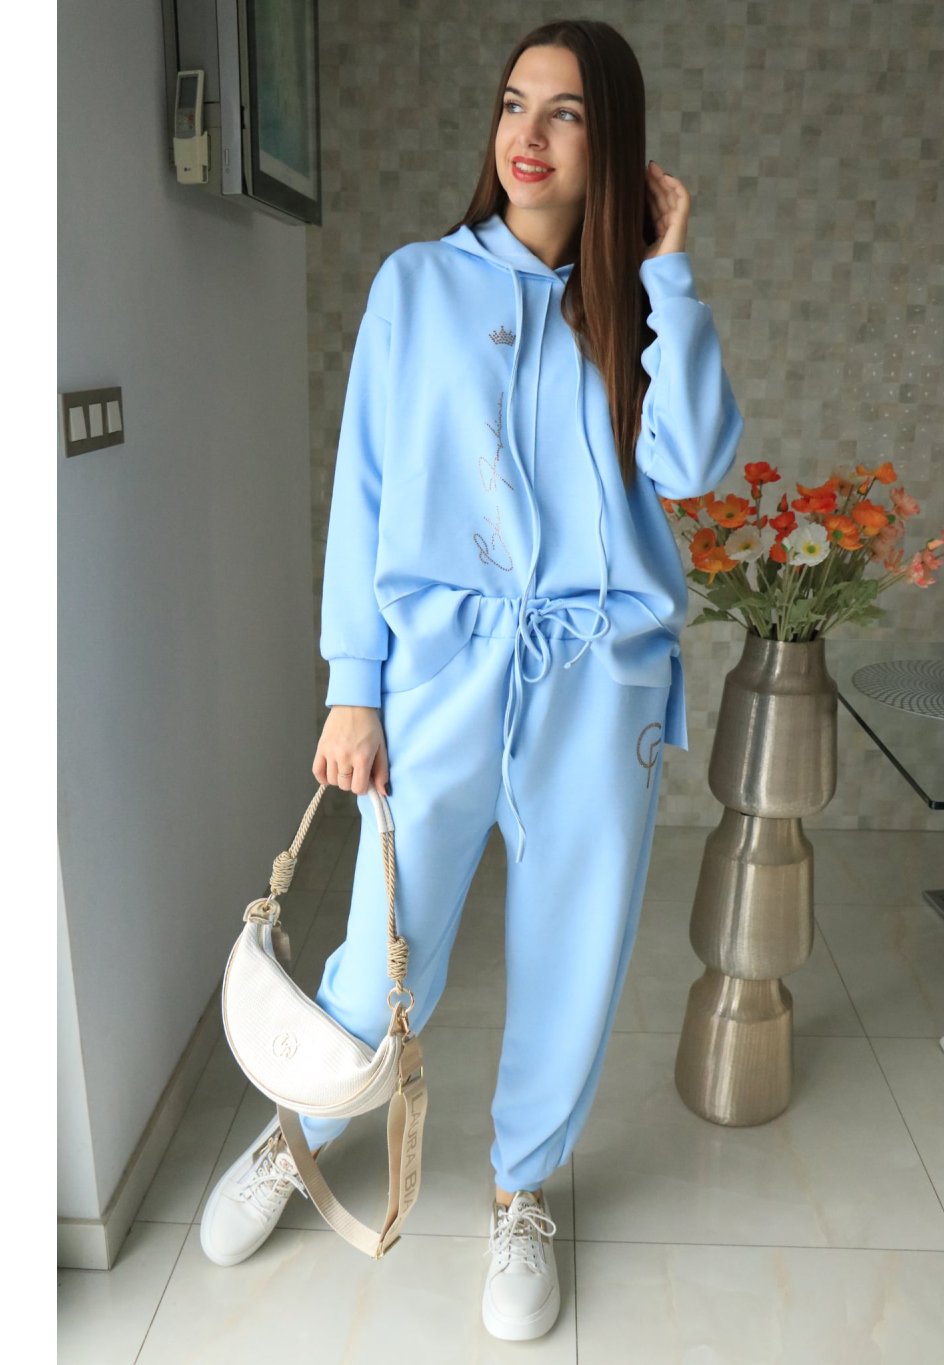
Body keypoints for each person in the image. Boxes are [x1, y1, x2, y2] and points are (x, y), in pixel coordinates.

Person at [201, 16, 743, 1342]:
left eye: (566, 112)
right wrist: (354, 684)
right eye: (514, 103)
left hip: (597, 682)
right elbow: (366, 489)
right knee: (385, 940)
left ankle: (520, 1189)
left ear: (611, 141)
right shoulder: (417, 285)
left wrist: (667, 274)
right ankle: (304, 1124)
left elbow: (693, 463)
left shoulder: (635, 304)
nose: (528, 134)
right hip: (440, 672)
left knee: (574, 949)